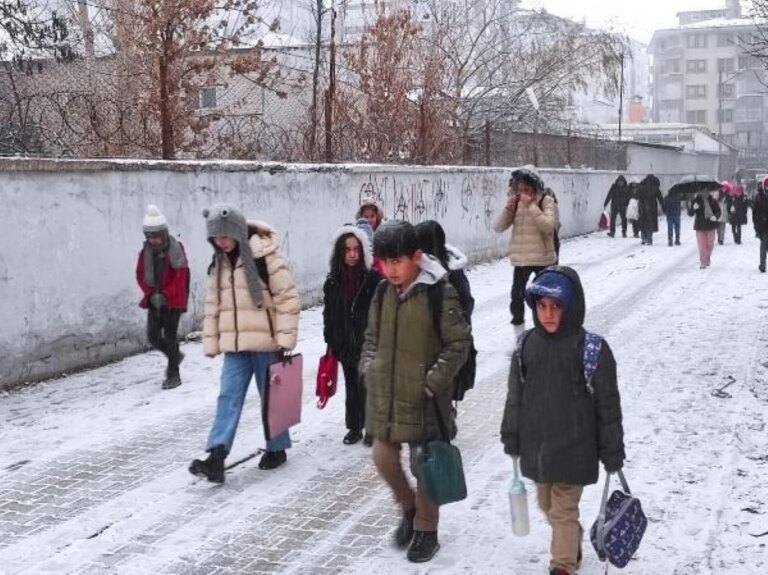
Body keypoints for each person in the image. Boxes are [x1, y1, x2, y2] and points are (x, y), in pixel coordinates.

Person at [500, 267, 625, 575]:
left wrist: (612, 451)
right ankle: (572, 538)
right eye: (542, 306)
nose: (548, 314)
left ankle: (563, 565)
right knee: (548, 507)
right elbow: (515, 396)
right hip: (539, 447)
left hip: (576, 448)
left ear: (571, 306)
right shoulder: (526, 345)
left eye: (556, 306)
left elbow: (608, 406)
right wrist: (511, 434)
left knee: (563, 510)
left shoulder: (591, 349)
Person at [360, 220, 471, 563]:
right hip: (388, 397)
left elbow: (458, 343)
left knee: (425, 466)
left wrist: (432, 382)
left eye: (398, 261)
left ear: (417, 257)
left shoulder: (439, 292)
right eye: (384, 262)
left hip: (425, 400)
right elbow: (371, 338)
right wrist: (369, 368)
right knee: (382, 457)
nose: (391, 270)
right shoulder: (382, 293)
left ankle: (426, 529)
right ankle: (408, 509)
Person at [189, 204, 301, 483]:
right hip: (236, 347)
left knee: (271, 400)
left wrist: (285, 338)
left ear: (237, 231)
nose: (221, 241)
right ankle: (216, 456)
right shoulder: (218, 264)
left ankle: (277, 448)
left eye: (225, 236)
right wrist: (212, 340)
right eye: (216, 237)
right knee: (228, 397)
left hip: (266, 342)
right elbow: (214, 304)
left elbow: (288, 298)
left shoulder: (266, 258)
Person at [322, 221, 381, 446]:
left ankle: (372, 429)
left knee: (368, 385)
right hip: (345, 343)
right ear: (340, 252)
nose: (352, 254)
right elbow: (329, 313)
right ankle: (354, 427)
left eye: (356, 249)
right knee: (351, 386)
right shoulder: (332, 281)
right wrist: (331, 339)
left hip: (368, 342)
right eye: (347, 250)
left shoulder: (372, 279)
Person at [492, 166, 558, 326]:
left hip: (543, 258)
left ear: (534, 187)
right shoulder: (516, 203)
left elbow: (549, 226)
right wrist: (508, 208)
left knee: (544, 297)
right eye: (519, 189)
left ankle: (543, 328)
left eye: (526, 189)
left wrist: (531, 206)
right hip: (522, 259)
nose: (522, 193)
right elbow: (498, 227)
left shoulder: (546, 200)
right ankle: (518, 331)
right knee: (516, 297)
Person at [135, 205, 190, 390]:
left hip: (173, 301)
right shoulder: (146, 252)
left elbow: (181, 276)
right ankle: (175, 355)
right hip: (154, 300)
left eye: (157, 236)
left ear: (164, 233)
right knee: (153, 336)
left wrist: (166, 294)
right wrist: (150, 294)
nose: (154, 240)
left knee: (171, 335)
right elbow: (140, 274)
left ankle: (173, 374)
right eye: (150, 236)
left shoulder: (176, 249)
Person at [687, 191, 722, 269]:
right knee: (702, 245)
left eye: (706, 190)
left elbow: (718, 211)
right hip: (700, 226)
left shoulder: (713, 200)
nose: (704, 192)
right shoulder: (695, 201)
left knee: (710, 243)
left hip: (711, 225)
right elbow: (690, 214)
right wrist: (693, 208)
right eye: (702, 191)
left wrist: (715, 217)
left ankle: (707, 257)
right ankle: (703, 261)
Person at [636, 174, 664, 245]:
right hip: (652, 207)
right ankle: (649, 239)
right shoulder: (655, 187)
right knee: (650, 223)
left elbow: (636, 195)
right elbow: (660, 198)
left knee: (643, 222)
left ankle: (643, 238)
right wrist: (664, 206)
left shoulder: (641, 186)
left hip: (642, 206)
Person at [753, 178, 768, 273]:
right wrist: (757, 226)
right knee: (764, 245)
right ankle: (762, 264)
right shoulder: (759, 197)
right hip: (763, 226)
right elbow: (755, 213)